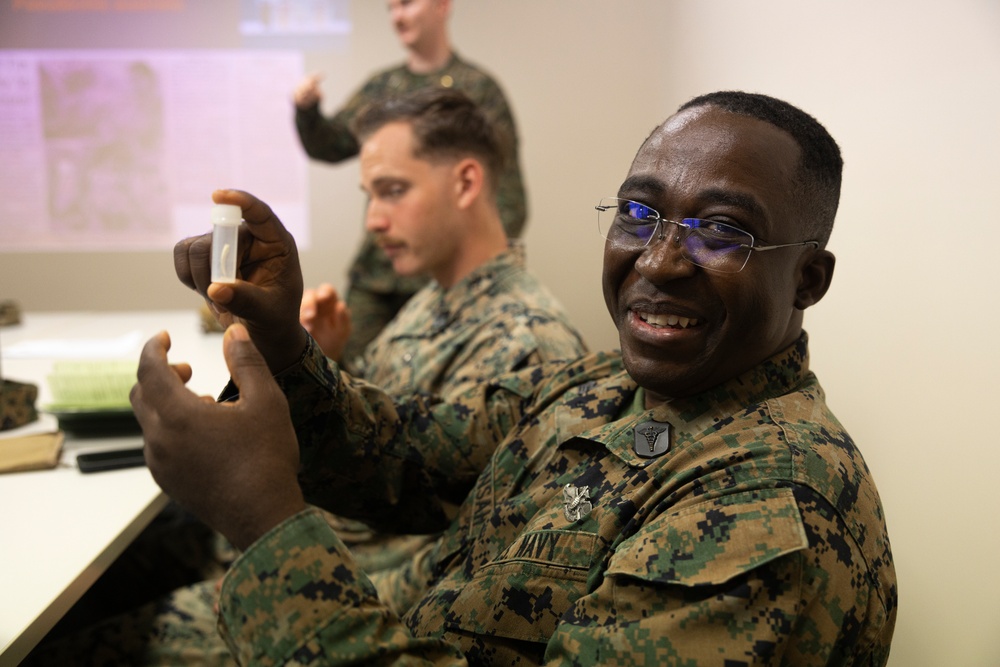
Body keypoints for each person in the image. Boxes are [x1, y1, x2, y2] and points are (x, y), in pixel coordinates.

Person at [134, 91, 895, 664]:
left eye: (723, 230)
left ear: (808, 279)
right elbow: (399, 455)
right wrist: (282, 337)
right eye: (639, 212)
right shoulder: (601, 387)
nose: (659, 261)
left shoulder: (770, 505)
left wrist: (262, 521)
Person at [297, 86, 586, 575]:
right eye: (370, 196)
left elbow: (462, 566)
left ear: (465, 182)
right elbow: (378, 429)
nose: (373, 221)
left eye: (393, 191)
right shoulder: (431, 299)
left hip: (356, 589)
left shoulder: (527, 345)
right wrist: (326, 360)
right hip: (324, 542)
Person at [294, 0, 527, 367]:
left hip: (444, 280)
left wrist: (474, 269)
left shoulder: (477, 91)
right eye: (390, 8)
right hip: (378, 277)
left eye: (406, 3)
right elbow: (331, 144)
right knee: (355, 374)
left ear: (442, 6)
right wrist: (307, 113)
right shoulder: (382, 88)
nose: (397, 16)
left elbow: (508, 197)